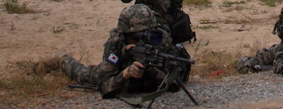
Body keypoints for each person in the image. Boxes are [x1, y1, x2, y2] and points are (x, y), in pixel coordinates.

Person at [33, 5, 190, 100]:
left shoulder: (160, 39)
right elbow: (105, 87)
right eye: (136, 36)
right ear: (125, 34)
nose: (143, 39)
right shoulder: (116, 43)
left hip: (147, 75)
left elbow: (176, 81)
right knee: (89, 77)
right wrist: (125, 75)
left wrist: (151, 69)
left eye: (147, 33)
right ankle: (61, 60)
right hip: (119, 68)